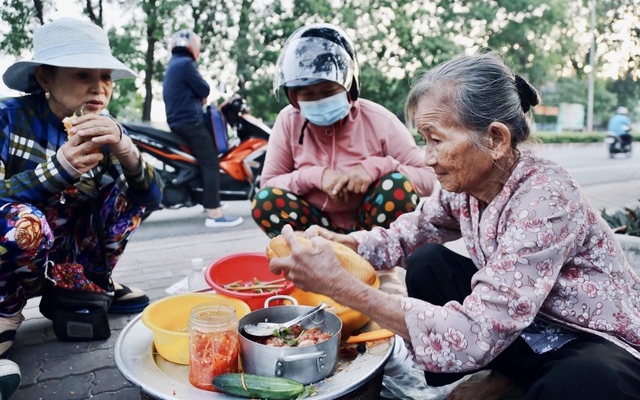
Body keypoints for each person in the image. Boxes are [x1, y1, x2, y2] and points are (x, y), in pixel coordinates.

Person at [270, 51, 640, 399]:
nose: (427, 158)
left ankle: (511, 379)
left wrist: (340, 284)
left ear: (495, 139)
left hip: (584, 337)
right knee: (427, 261)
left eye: (436, 140)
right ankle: (505, 375)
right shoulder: (467, 186)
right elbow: (405, 235)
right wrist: (341, 244)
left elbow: (480, 329)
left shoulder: (547, 197)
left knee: (584, 383)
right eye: (423, 140)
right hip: (525, 325)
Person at [0, 17, 164, 398]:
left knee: (130, 193)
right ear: (45, 79)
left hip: (69, 251)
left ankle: (91, 280)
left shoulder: (105, 128)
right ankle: (7, 309)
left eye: (105, 76)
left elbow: (154, 199)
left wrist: (125, 149)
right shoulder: (8, 118)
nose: (99, 87)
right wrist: (61, 168)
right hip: (16, 257)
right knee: (25, 222)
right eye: (82, 75)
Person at [252, 23, 436, 237]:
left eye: (328, 91)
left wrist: (377, 167)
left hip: (370, 232)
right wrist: (315, 176)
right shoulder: (288, 121)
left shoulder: (379, 119)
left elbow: (427, 179)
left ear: (350, 87)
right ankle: (308, 260)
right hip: (314, 229)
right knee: (266, 202)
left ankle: (382, 266)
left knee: (397, 186)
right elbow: (268, 184)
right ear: (293, 97)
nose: (319, 100)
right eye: (308, 95)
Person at [162, 29, 242, 228]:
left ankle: (208, 200)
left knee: (202, 160)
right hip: (190, 122)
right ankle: (215, 213)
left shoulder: (174, 64)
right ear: (193, 47)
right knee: (210, 162)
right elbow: (204, 89)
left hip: (178, 122)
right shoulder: (186, 64)